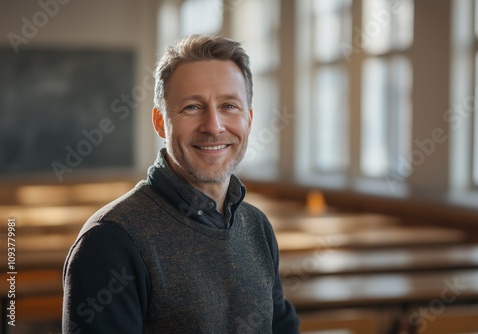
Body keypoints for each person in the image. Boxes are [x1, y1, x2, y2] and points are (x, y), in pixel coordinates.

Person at [62, 34, 300, 333]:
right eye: (191, 107)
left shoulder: (257, 227)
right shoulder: (109, 241)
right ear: (160, 121)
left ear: (249, 120)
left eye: (229, 106)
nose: (213, 126)